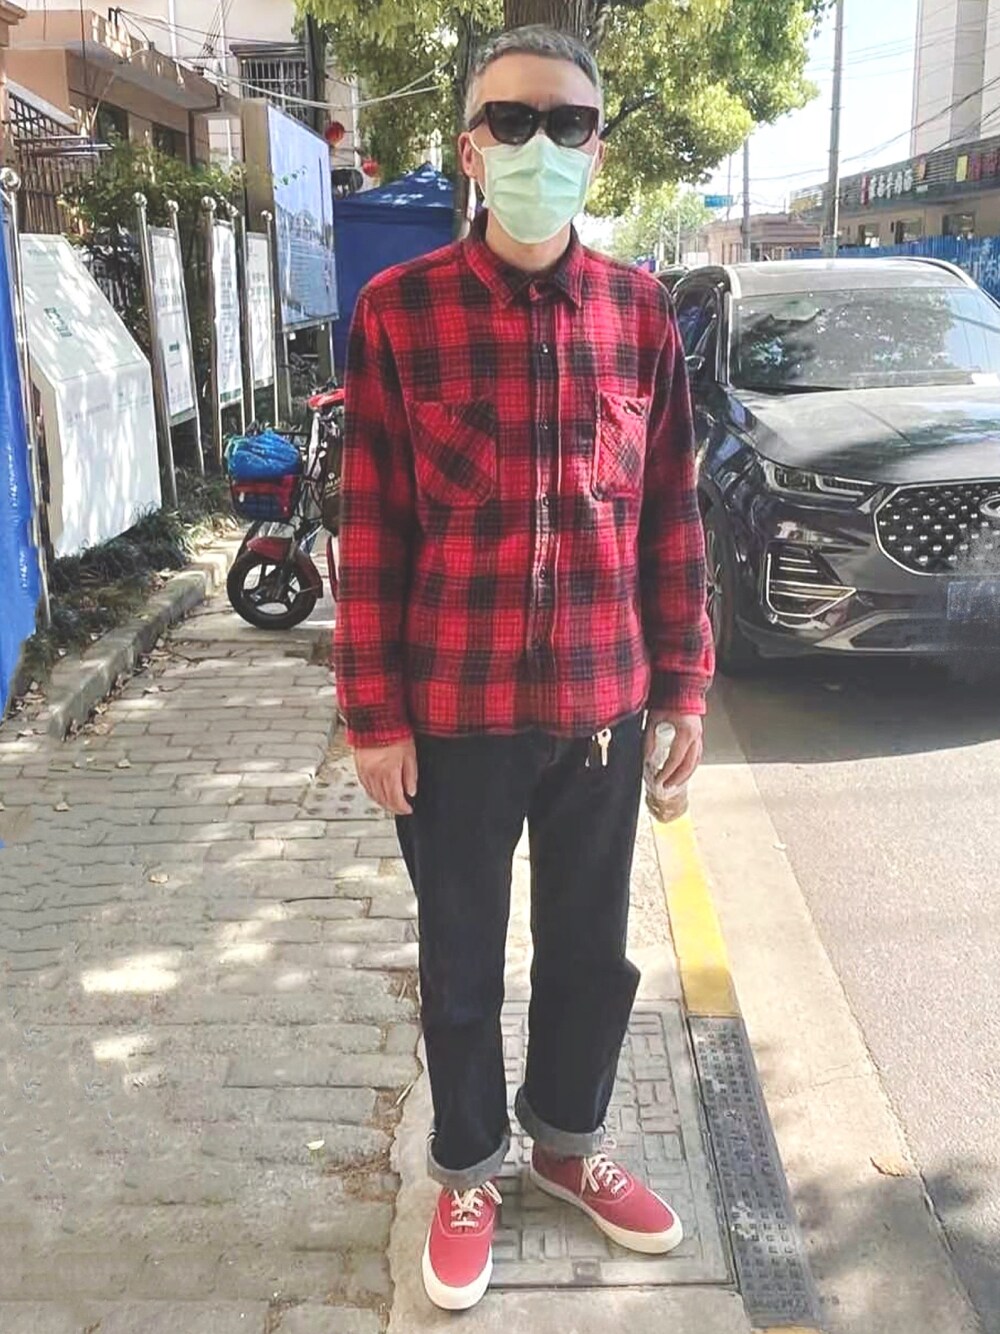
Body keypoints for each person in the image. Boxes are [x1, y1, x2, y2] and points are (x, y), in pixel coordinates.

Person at [334, 23, 714, 1313]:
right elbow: (372, 529)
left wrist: (685, 688)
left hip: (603, 706)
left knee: (590, 952)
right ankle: (467, 1166)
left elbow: (672, 516)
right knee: (459, 958)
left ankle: (565, 1142)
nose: (539, 144)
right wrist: (372, 714)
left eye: (567, 124)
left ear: (596, 152)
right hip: (452, 714)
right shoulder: (400, 314)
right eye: (513, 120)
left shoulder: (640, 314)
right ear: (471, 147)